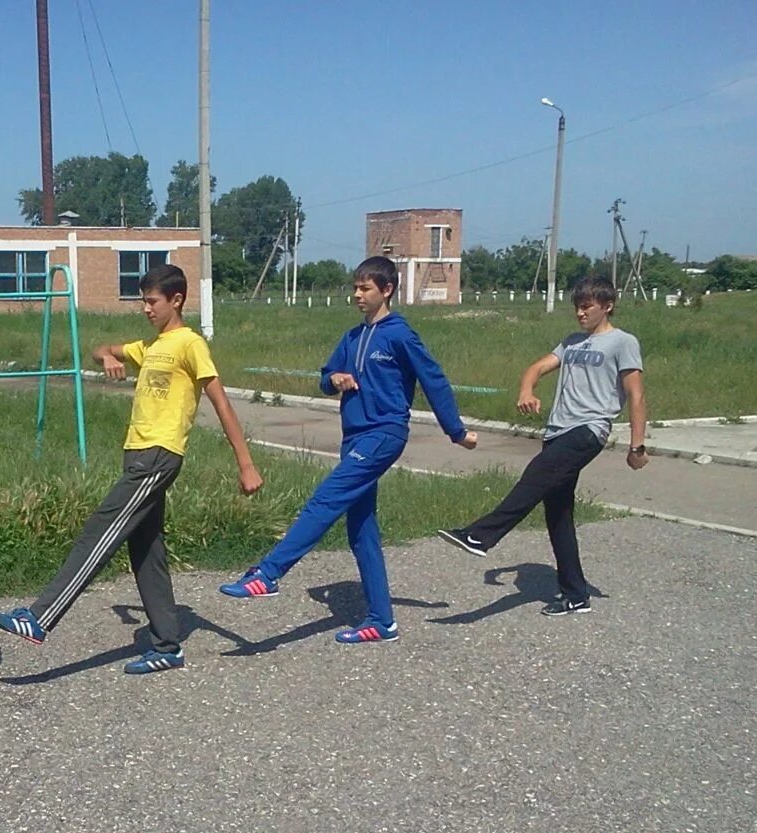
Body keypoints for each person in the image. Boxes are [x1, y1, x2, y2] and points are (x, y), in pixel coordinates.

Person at [0, 263, 263, 674]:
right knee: (146, 552)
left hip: (158, 454)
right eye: (143, 301)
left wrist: (246, 464)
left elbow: (220, 402)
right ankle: (168, 646)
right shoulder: (151, 348)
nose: (146, 309)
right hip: (136, 453)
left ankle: (40, 617)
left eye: (152, 302)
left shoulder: (190, 344)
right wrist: (106, 357)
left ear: (177, 300)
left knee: (101, 528)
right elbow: (103, 349)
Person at [220, 256, 477, 643]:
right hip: (353, 438)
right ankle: (381, 621)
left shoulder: (400, 334)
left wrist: (455, 430)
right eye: (355, 287)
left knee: (325, 500)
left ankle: (268, 574)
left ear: (386, 290)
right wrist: (334, 379)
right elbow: (325, 378)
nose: (357, 294)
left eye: (365, 288)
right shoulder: (352, 337)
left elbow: (434, 379)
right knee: (361, 531)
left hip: (384, 434)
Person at [438, 277, 647, 614]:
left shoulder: (622, 342)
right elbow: (536, 367)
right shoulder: (572, 342)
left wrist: (636, 447)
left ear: (607, 306)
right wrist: (526, 391)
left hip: (588, 430)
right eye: (577, 307)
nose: (580, 313)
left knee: (534, 478)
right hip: (557, 431)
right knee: (558, 515)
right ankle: (576, 594)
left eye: (587, 306)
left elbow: (636, 395)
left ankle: (481, 535)